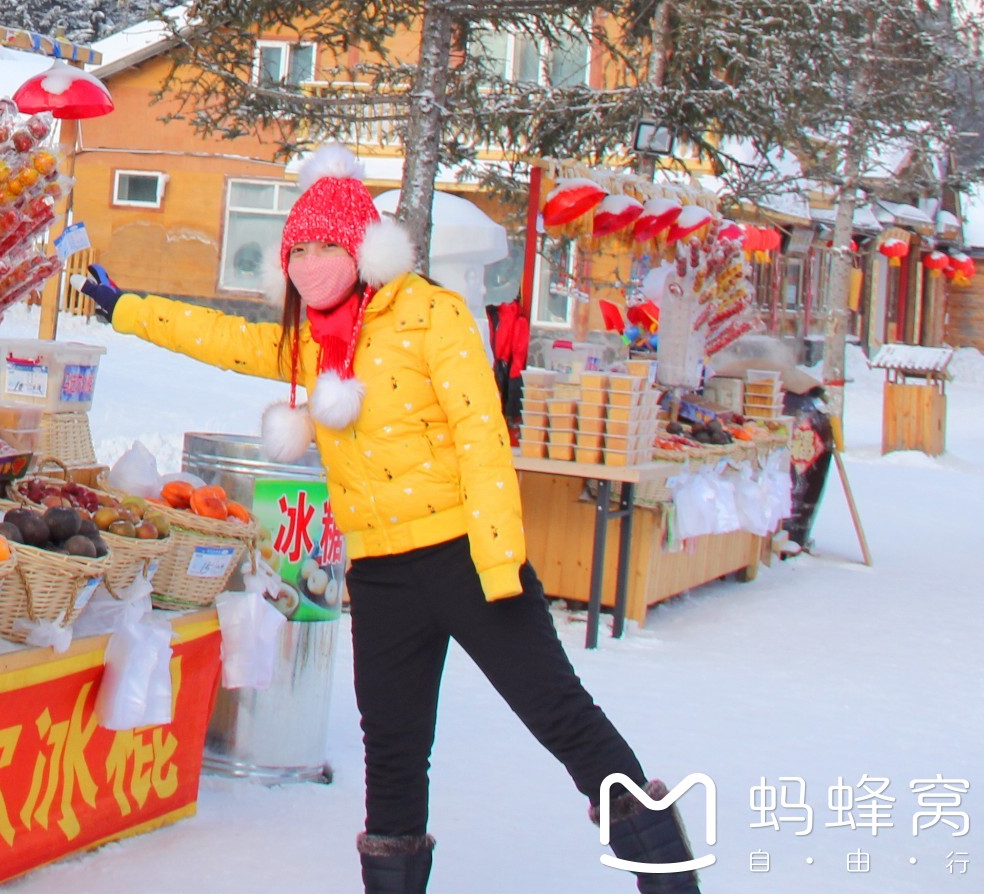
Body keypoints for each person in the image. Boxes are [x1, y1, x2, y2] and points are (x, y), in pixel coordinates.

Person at [80, 145, 699, 894]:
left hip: (467, 557)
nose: (311, 263)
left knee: (561, 717)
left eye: (325, 246)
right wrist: (128, 308)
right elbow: (221, 338)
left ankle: (667, 876)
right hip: (380, 573)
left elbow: (481, 435)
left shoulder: (429, 313)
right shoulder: (309, 339)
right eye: (297, 249)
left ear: (362, 247)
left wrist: (500, 562)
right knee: (394, 755)